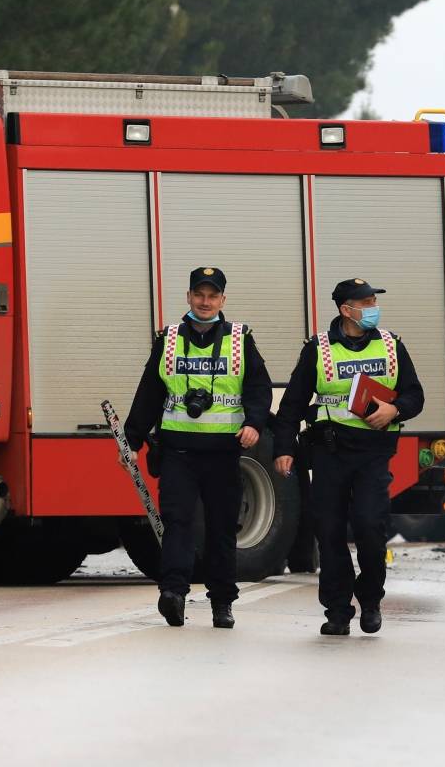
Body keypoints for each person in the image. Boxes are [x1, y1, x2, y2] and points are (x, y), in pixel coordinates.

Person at [272, 278, 425, 636]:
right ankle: (338, 610)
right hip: (329, 451)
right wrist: (282, 449)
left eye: (374, 300)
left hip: (373, 452)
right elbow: (292, 404)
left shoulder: (391, 345)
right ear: (346, 310)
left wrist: (394, 409)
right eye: (366, 302)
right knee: (329, 532)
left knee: (371, 527)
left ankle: (370, 599)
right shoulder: (319, 349)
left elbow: (415, 396)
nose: (373, 307)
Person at [125, 266, 272, 630]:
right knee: (177, 524)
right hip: (179, 453)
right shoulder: (169, 339)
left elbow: (258, 388)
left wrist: (254, 423)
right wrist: (132, 439)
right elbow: (149, 392)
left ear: (223, 300)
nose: (205, 302)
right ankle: (172, 595)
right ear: (189, 297)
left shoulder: (239, 339)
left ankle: (222, 602)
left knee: (222, 529)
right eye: (199, 295)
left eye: (213, 296)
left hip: (223, 454)